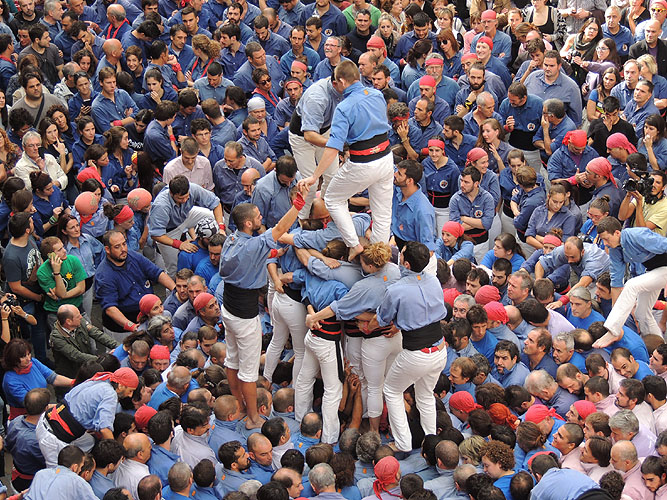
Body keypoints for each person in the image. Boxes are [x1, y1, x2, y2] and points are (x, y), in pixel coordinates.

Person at [299, 61, 392, 260]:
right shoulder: (377, 94)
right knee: (383, 212)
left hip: (363, 161)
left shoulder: (344, 107)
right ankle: (379, 255)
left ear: (342, 81)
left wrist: (315, 176)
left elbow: (333, 147)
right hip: (385, 157)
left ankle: (354, 244)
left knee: (333, 199)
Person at [364, 241, 447, 452]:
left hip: (417, 353)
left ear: (407, 263)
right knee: (425, 395)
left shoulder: (396, 290)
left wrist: (367, 327)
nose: (399, 256)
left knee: (391, 391)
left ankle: (402, 443)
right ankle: (430, 443)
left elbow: (381, 319)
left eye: (401, 254)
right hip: (439, 349)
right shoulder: (434, 281)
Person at [593, 217, 667, 346]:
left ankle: (613, 330)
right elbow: (616, 283)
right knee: (641, 313)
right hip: (653, 272)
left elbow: (665, 244)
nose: (605, 243)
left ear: (617, 233)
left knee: (631, 285)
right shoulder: (615, 249)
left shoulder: (636, 235)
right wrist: (616, 313)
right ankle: (659, 348)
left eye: (606, 239)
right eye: (602, 240)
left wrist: (613, 326)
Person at [95, 230, 175, 341]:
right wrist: (132, 327)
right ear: (107, 249)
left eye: (124, 244)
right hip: (123, 328)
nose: (123, 249)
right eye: (117, 247)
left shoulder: (133, 256)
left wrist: (175, 290)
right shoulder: (104, 275)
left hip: (147, 317)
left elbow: (157, 273)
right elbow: (110, 308)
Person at [148, 176, 224, 277]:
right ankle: (172, 286)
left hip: (186, 215)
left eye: (186, 197)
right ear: (171, 193)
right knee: (173, 268)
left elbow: (216, 203)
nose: (184, 200)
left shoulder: (193, 188)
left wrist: (221, 228)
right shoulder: (161, 205)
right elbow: (156, 234)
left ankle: (211, 238)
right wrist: (180, 244)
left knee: (215, 218)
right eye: (180, 198)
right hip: (168, 231)